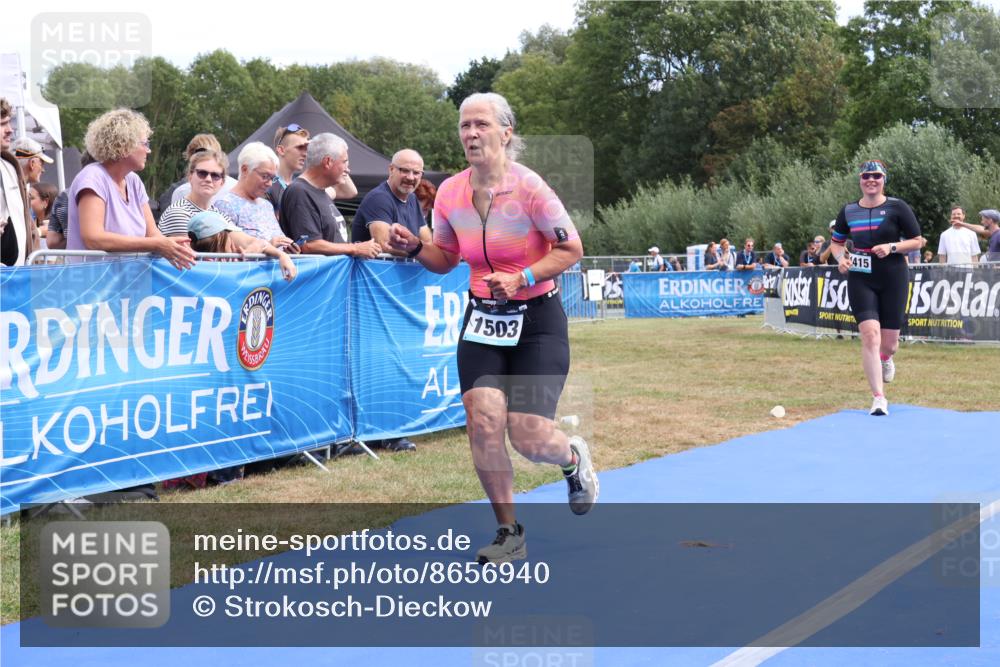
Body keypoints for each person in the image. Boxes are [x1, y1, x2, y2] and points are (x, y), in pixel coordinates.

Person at [386, 92, 598, 564]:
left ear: (505, 132)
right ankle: (509, 533)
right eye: (464, 126)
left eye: (481, 124)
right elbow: (446, 258)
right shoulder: (449, 193)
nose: (471, 134)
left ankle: (572, 457)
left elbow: (572, 249)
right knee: (482, 422)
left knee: (527, 436)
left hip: (538, 320)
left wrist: (521, 277)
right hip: (483, 321)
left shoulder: (530, 188)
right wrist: (411, 249)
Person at [829, 160, 925, 416]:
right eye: (866, 176)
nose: (871, 180)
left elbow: (918, 241)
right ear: (860, 180)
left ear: (884, 180)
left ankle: (886, 359)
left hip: (893, 274)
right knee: (870, 335)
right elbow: (837, 243)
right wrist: (841, 259)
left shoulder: (897, 206)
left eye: (876, 176)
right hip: (861, 277)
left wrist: (892, 247)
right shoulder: (848, 210)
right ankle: (878, 397)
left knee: (889, 343)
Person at [66, 108, 196, 270]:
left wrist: (177, 247)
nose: (149, 150)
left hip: (126, 284)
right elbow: (93, 238)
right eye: (145, 143)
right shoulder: (92, 177)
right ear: (123, 145)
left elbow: (153, 234)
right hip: (91, 283)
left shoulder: (134, 181)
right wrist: (157, 244)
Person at [279, 133, 380, 258]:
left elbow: (351, 192)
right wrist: (355, 248)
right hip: (319, 276)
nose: (348, 170)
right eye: (344, 162)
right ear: (327, 162)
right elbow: (309, 245)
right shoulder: (299, 192)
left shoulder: (322, 191)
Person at [214, 142, 297, 250]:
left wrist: (288, 250)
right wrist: (268, 247)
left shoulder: (266, 205)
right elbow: (228, 253)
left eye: (272, 178)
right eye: (265, 176)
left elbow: (279, 240)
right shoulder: (225, 205)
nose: (270, 183)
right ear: (245, 170)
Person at [353, 148, 432, 255]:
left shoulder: (412, 198)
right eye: (405, 170)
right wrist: (421, 252)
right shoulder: (379, 198)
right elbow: (385, 245)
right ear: (391, 169)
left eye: (416, 173)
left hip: (401, 270)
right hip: (376, 271)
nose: (410, 177)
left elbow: (427, 241)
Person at [188, 210, 296, 281]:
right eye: (229, 233)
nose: (232, 238)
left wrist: (282, 255)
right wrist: (282, 255)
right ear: (220, 238)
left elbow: (261, 244)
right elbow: (261, 244)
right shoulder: (231, 261)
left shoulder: (189, 263)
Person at [1, 97, 38, 266]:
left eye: (8, 123)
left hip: (16, 277)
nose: (9, 130)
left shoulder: (10, 165)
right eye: (2, 124)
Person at [170, 134, 238, 205]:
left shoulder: (235, 190)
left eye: (215, 175)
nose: (208, 179)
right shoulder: (181, 192)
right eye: (202, 172)